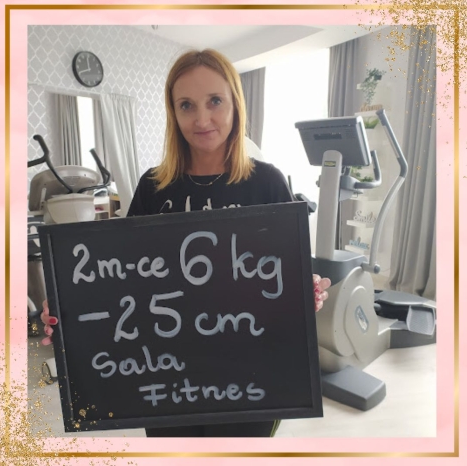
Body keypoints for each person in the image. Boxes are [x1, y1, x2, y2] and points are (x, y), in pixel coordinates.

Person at [42, 48, 330, 437]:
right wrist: (68, 307)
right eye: (186, 105)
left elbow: (285, 276)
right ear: (173, 114)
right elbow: (119, 279)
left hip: (251, 378)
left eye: (215, 101)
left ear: (235, 104)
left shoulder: (267, 183)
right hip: (167, 378)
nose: (202, 119)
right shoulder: (153, 187)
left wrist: (304, 292)